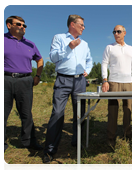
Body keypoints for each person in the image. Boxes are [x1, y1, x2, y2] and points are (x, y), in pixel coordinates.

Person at [43, 14, 93, 163]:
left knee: (80, 113)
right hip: (63, 79)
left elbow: (89, 60)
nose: (84, 27)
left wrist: (87, 70)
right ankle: (50, 150)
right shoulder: (59, 38)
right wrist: (68, 48)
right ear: (72, 24)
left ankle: (77, 142)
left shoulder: (85, 43)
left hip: (80, 81)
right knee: (57, 112)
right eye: (81, 24)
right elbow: (52, 57)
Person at [4, 16, 44, 152]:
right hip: (5, 80)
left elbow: (40, 60)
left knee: (26, 113)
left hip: (25, 81)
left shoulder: (30, 44)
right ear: (9, 25)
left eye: (24, 25)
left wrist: (37, 75)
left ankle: (29, 142)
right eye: (19, 24)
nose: (23, 27)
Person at [101, 25, 132, 147]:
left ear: (124, 33)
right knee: (113, 110)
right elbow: (104, 64)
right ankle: (111, 137)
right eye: (114, 32)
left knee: (127, 110)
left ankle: (127, 134)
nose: (116, 34)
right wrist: (105, 80)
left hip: (128, 82)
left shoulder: (131, 49)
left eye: (118, 31)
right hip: (113, 82)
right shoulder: (109, 47)